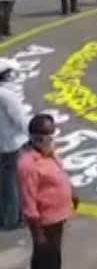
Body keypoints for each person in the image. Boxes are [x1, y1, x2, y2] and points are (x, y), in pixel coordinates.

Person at [17, 113, 78, 269]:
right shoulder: (28, 165)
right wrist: (38, 235)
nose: (52, 140)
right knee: (45, 258)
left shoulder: (48, 152)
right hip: (45, 222)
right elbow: (28, 201)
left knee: (54, 255)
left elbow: (60, 172)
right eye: (49, 137)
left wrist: (71, 192)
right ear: (37, 138)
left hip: (57, 217)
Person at [0, 58, 25, 230]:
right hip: (10, 144)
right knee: (13, 182)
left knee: (4, 182)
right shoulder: (7, 96)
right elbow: (20, 120)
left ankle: (5, 216)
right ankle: (12, 218)